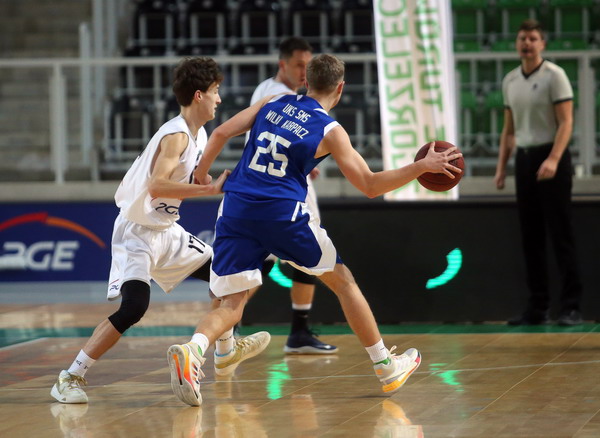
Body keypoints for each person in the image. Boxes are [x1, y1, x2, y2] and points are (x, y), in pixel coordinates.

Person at [166, 54, 462, 406]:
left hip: (235, 207)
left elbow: (220, 132)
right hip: (281, 214)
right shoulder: (330, 129)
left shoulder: (273, 101)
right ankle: (386, 366)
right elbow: (370, 185)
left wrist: (202, 175)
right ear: (340, 88)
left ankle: (193, 350)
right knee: (343, 281)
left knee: (231, 305)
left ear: (305, 82)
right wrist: (421, 167)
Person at [50, 57, 270, 404]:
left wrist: (211, 179)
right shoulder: (177, 135)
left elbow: (196, 174)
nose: (219, 98)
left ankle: (226, 350)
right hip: (137, 233)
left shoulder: (197, 134)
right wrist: (208, 189)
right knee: (133, 308)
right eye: (215, 91)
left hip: (167, 231)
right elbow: (156, 186)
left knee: (228, 275)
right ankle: (70, 376)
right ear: (199, 95)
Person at [248, 36, 337, 354]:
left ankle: (295, 331)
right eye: (299, 65)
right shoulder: (282, 97)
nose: (304, 71)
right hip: (283, 189)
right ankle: (294, 331)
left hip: (267, 185)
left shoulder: (264, 88)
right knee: (309, 256)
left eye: (308, 66)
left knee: (264, 261)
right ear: (282, 64)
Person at [494, 19, 583, 326]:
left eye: (533, 38)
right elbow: (509, 130)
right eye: (522, 38)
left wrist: (554, 159)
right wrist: (501, 168)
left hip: (551, 157)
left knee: (561, 233)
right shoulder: (510, 80)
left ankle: (571, 306)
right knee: (530, 236)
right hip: (525, 159)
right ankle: (538, 307)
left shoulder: (554, 76)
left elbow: (567, 122)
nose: (527, 43)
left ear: (542, 44)